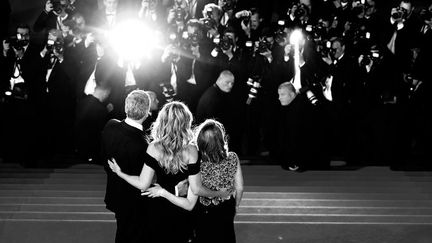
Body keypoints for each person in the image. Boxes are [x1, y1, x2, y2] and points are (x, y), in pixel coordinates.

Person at [108, 101, 229, 243]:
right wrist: (219, 193)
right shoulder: (191, 151)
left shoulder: (153, 148)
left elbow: (143, 184)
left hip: (158, 210)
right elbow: (194, 192)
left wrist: (120, 173)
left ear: (162, 121)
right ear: (186, 123)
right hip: (182, 211)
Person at [101, 89, 151, 243]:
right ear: (147, 112)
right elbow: (145, 179)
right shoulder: (144, 145)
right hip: (135, 201)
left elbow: (103, 158)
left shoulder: (110, 125)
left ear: (125, 107)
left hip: (115, 192)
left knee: (122, 232)